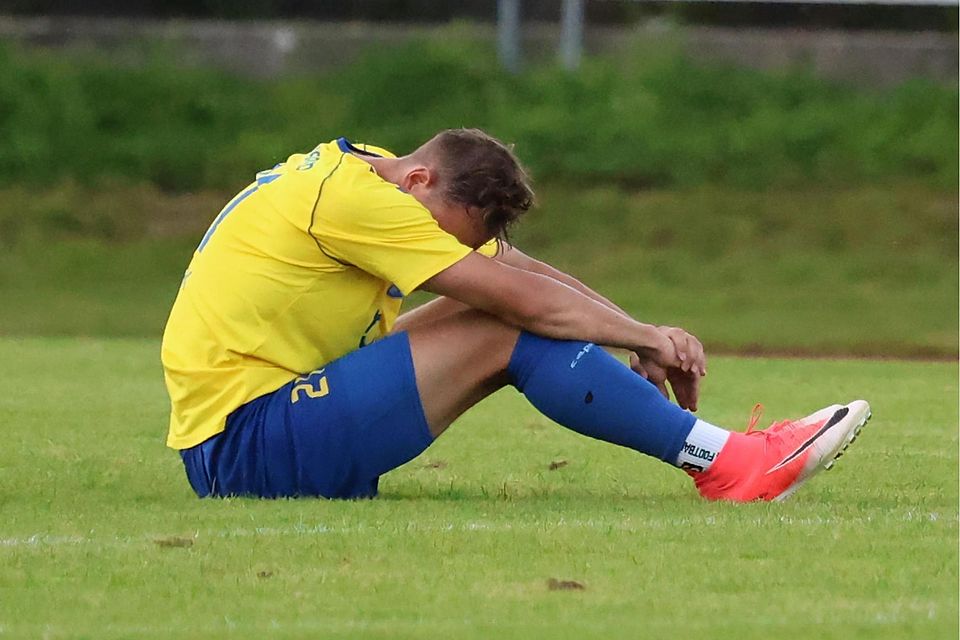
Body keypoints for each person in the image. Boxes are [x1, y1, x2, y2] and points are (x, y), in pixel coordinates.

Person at [161, 128, 870, 502]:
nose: (447, 250)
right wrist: (646, 337)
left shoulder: (372, 173)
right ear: (419, 181)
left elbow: (516, 269)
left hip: (267, 426)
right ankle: (729, 464)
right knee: (499, 318)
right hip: (246, 447)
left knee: (504, 306)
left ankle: (723, 459)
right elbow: (516, 299)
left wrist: (639, 333)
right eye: (446, 234)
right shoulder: (355, 201)